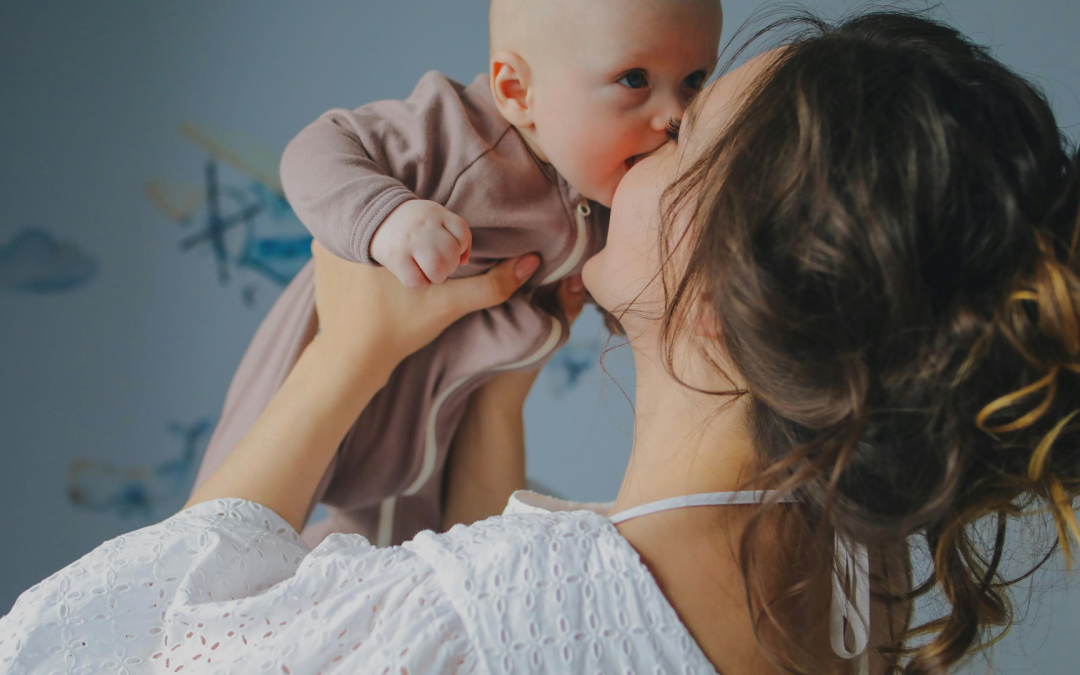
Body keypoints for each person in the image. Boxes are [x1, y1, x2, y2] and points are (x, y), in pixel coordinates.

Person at [4, 9, 1080, 675]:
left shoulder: (506, 617)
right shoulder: (857, 571)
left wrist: (345, 357)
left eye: (686, 131)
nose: (646, 139)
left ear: (718, 297)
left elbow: (118, 646)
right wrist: (500, 397)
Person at [190, 0, 725, 549]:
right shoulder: (457, 132)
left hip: (438, 419)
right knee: (230, 530)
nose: (675, 116)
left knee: (399, 548)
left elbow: (635, 293)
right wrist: (385, 217)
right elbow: (317, 148)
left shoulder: (608, 195)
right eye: (635, 79)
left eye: (694, 81)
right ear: (517, 91)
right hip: (326, 358)